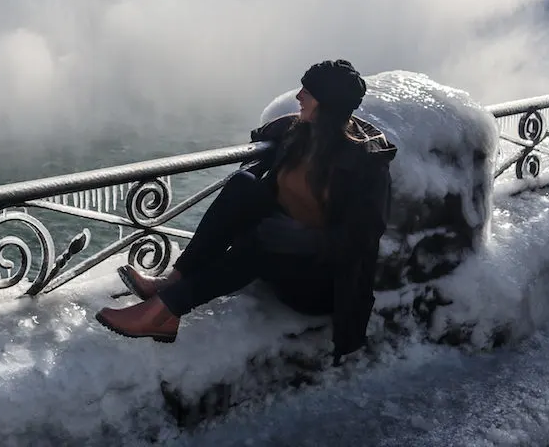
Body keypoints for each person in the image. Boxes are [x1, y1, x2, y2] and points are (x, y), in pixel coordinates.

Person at [95, 59, 397, 363]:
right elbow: (265, 134)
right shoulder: (302, 132)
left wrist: (301, 238)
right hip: (284, 252)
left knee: (264, 240)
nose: (298, 96)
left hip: (321, 284)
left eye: (308, 91)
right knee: (243, 184)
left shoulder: (365, 165)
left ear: (328, 104)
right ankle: (175, 280)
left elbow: (361, 240)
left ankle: (166, 310)